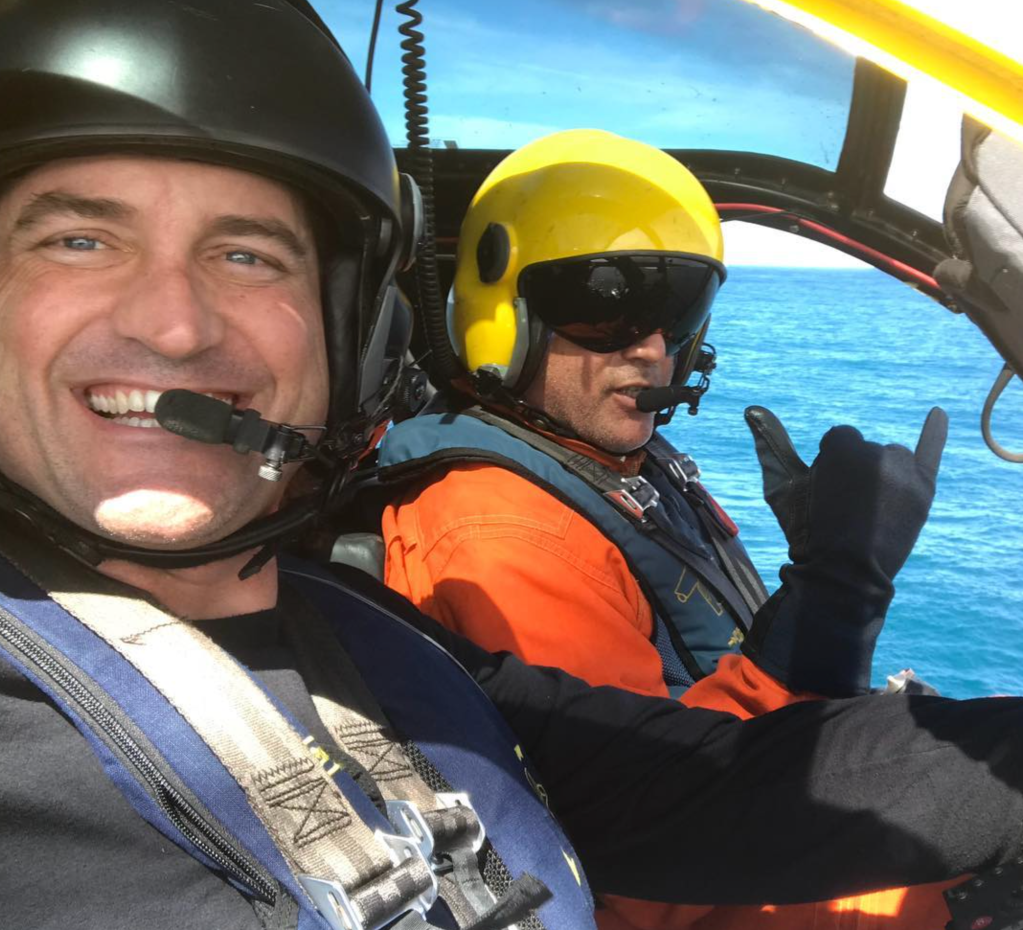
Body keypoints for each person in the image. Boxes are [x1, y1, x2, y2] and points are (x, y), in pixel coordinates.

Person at [7, 4, 1023, 930]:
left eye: (248, 256)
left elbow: (685, 786)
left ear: (353, 331)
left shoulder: (371, 638)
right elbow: (657, 893)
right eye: (79, 240)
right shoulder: (492, 521)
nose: (175, 326)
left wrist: (841, 591)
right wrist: (836, 593)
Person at [377, 130, 956, 929]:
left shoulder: (610, 463)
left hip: (762, 807)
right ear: (505, 314)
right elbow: (645, 861)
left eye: (676, 310)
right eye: (603, 306)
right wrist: (834, 597)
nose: (650, 351)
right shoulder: (500, 530)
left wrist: (810, 578)